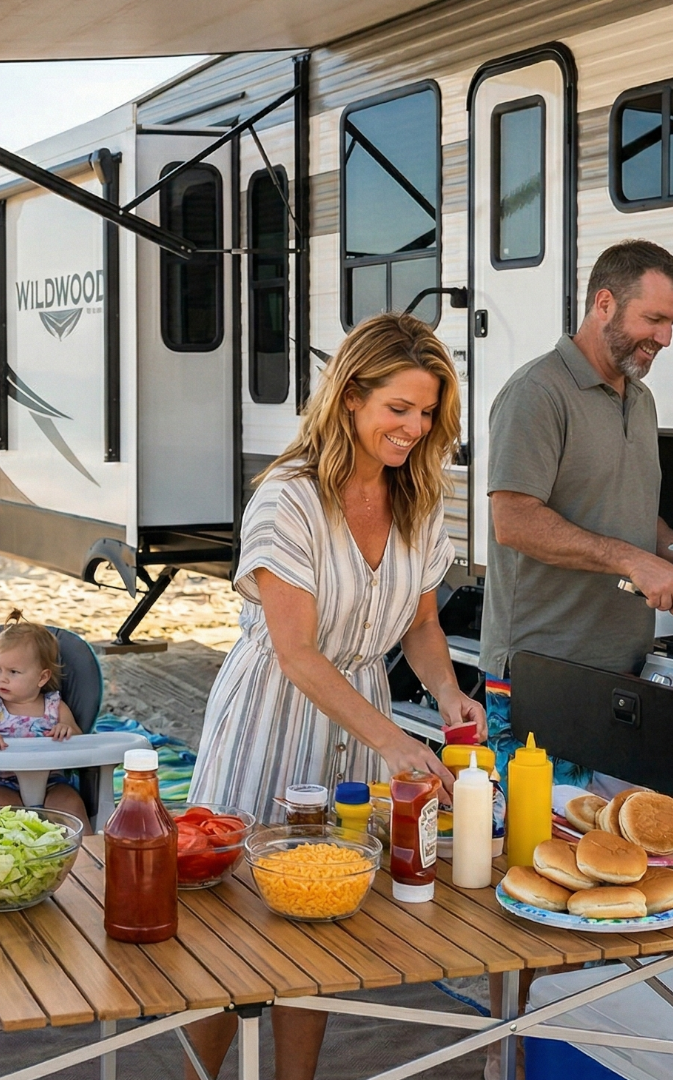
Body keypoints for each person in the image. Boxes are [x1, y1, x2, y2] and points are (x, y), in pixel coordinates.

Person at [183, 312, 485, 1080]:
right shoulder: (289, 499)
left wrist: (448, 693)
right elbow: (296, 652)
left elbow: (419, 621)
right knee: (233, 937)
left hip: (357, 717)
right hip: (272, 714)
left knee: (320, 924)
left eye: (427, 413)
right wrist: (394, 739)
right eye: (400, 409)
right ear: (350, 396)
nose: (415, 428)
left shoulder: (417, 495)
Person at [479, 238, 673, 783]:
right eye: (655, 319)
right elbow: (513, 521)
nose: (665, 338)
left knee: (615, 852)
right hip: (543, 677)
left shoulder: (639, 399)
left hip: (625, 669)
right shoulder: (537, 392)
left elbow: (627, 509)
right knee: (538, 850)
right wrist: (631, 561)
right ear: (605, 303)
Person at [0, 609, 89, 823]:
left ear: (41, 677)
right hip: (1, 782)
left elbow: (80, 738)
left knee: (70, 804)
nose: (2, 679)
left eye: (13, 672)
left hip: (52, 781)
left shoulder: (55, 706)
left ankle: (84, 853)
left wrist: (67, 729)